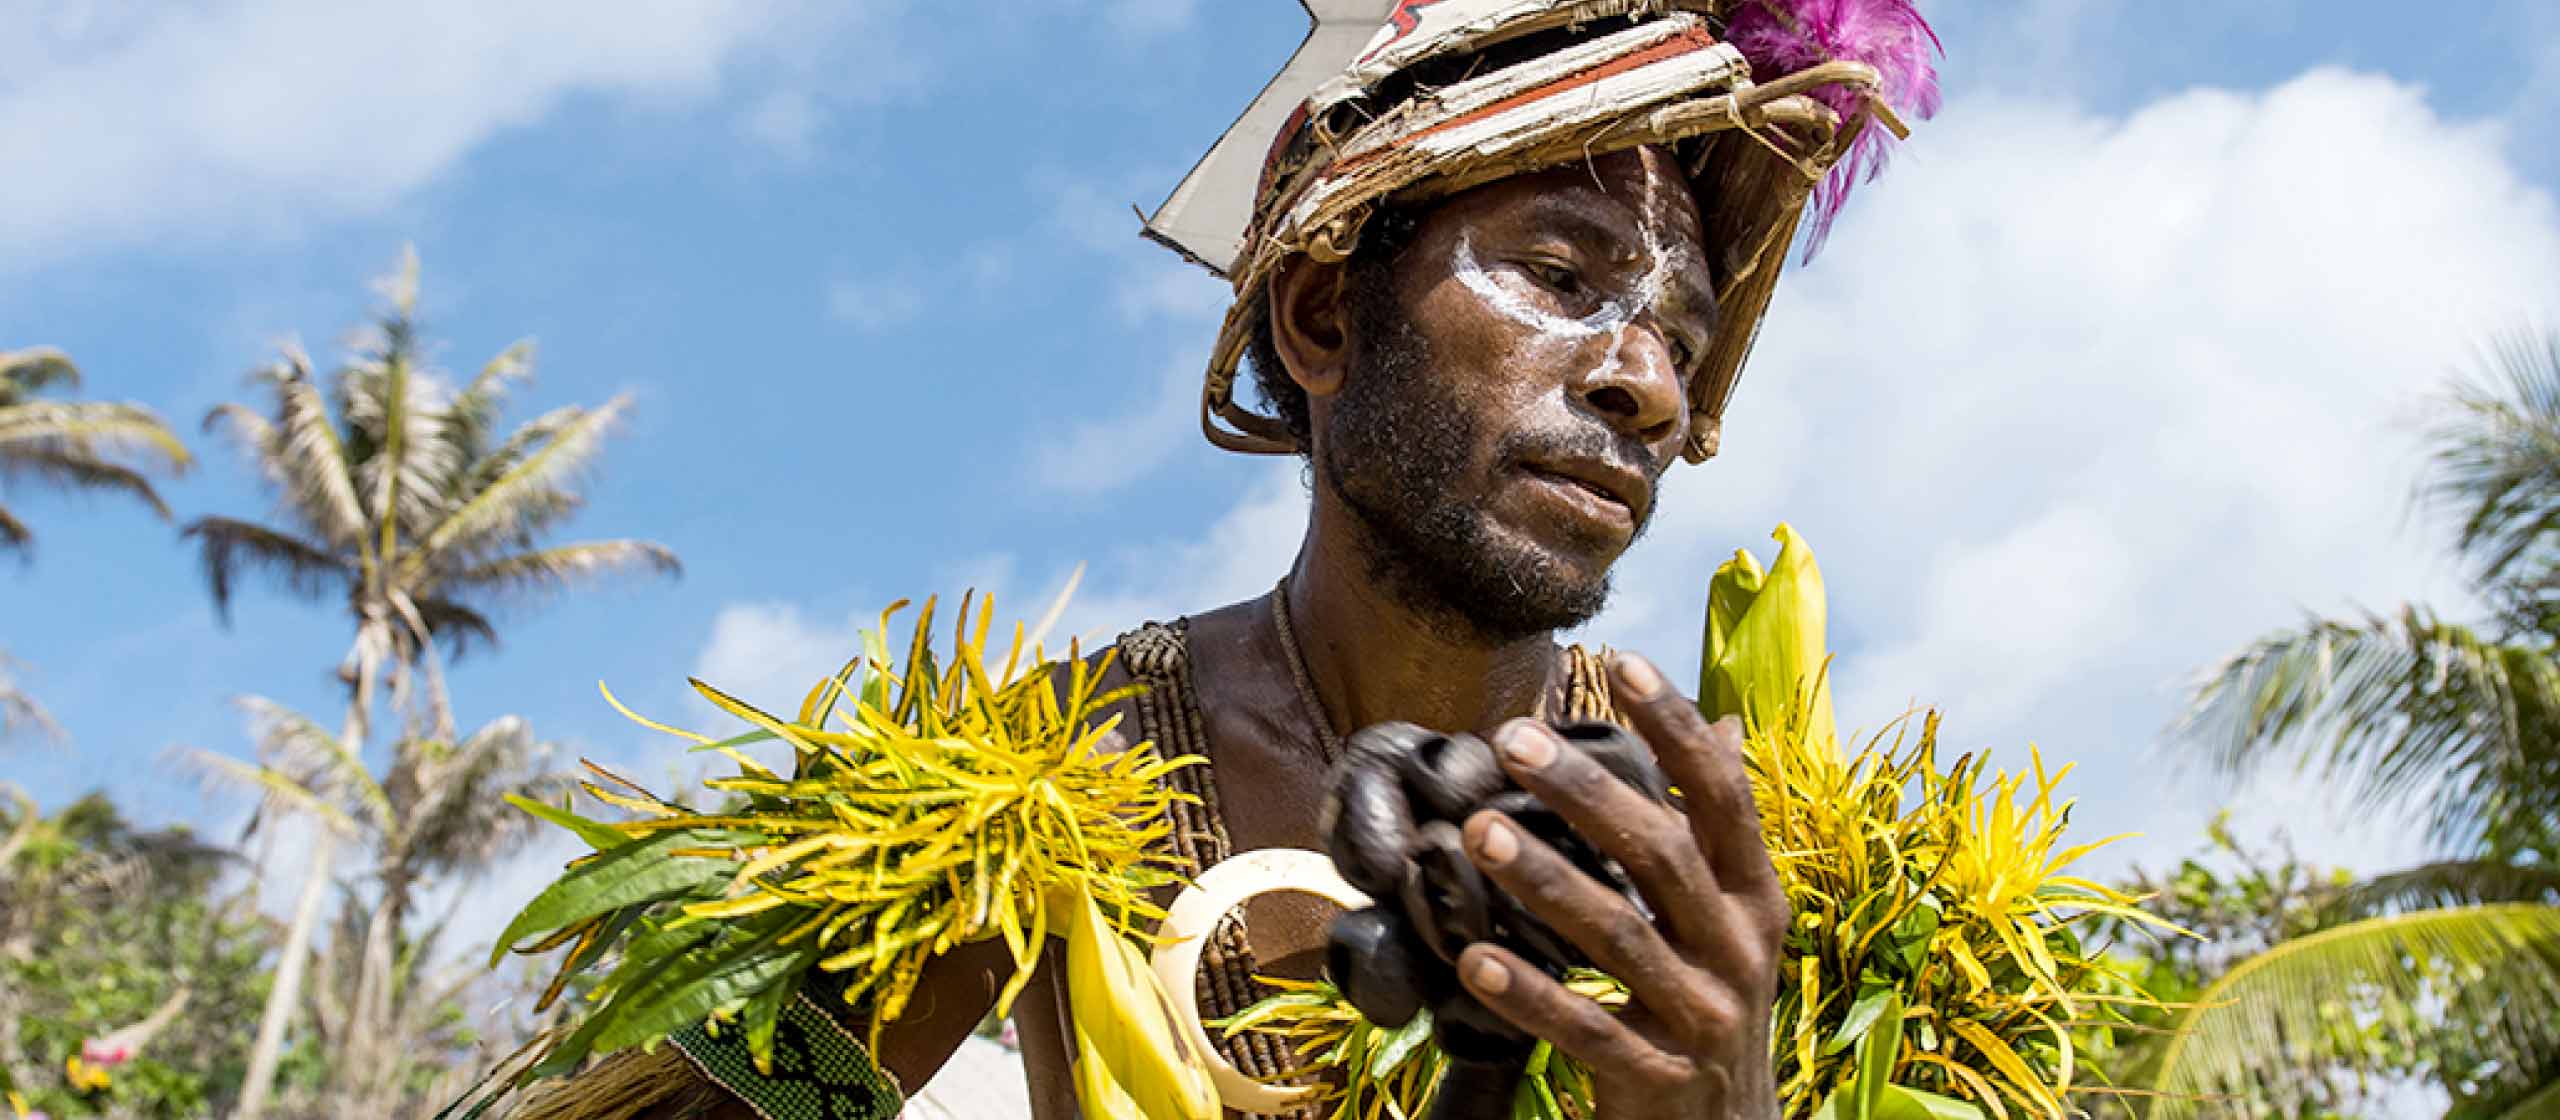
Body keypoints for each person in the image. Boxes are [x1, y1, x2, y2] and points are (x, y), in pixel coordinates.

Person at [509, 2, 1936, 1117]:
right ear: (1321, 322)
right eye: (1561, 280)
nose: (1646, 384)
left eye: (1682, 342)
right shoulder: (1032, 783)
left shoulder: (1780, 867)